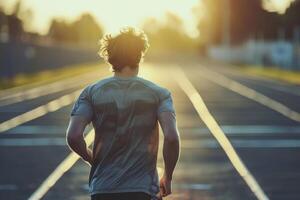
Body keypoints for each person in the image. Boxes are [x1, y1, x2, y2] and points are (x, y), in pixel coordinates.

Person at [66, 27, 180, 200]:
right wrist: (168, 176)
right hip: (143, 189)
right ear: (140, 55)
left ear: (109, 57)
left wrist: (92, 159)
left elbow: (73, 136)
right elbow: (171, 137)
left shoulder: (91, 93)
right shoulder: (159, 94)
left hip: (103, 188)